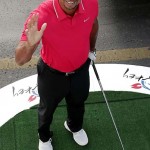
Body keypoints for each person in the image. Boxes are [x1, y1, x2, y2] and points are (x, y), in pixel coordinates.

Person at [15, 0, 99, 149]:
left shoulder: (91, 3)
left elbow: (93, 23)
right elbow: (20, 60)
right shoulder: (40, 15)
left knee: (78, 102)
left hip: (80, 70)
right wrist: (31, 44)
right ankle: (44, 137)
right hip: (52, 75)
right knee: (47, 109)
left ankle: (74, 126)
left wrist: (91, 48)